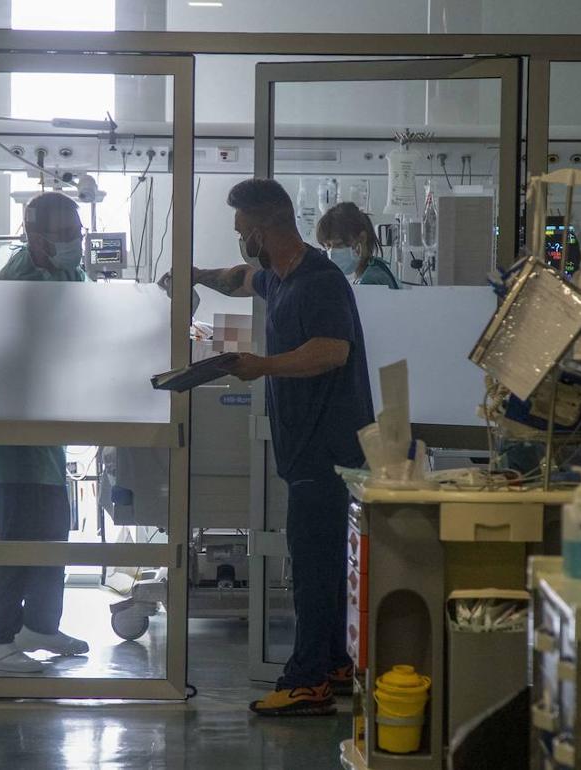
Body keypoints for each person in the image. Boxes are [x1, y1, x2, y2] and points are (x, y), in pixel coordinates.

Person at [194, 179, 374, 716]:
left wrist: (262, 366)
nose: (240, 241)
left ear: (262, 227)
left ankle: (307, 683)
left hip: (328, 451)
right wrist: (193, 276)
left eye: (242, 231)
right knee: (325, 565)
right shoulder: (280, 277)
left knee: (315, 569)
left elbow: (331, 351)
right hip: (307, 452)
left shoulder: (319, 281)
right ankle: (337, 663)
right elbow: (238, 278)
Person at [0, 192, 91, 674]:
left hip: (42, 431)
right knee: (20, 537)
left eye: (76, 235)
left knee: (52, 530)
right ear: (34, 236)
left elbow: (83, 317)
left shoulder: (64, 273)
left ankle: (40, 625)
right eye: (64, 236)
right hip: (12, 432)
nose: (74, 244)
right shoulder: (16, 280)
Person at [315, 201, 401, 289]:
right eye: (328, 246)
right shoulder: (369, 271)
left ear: (362, 238)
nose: (332, 252)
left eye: (339, 244)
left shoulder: (373, 280)